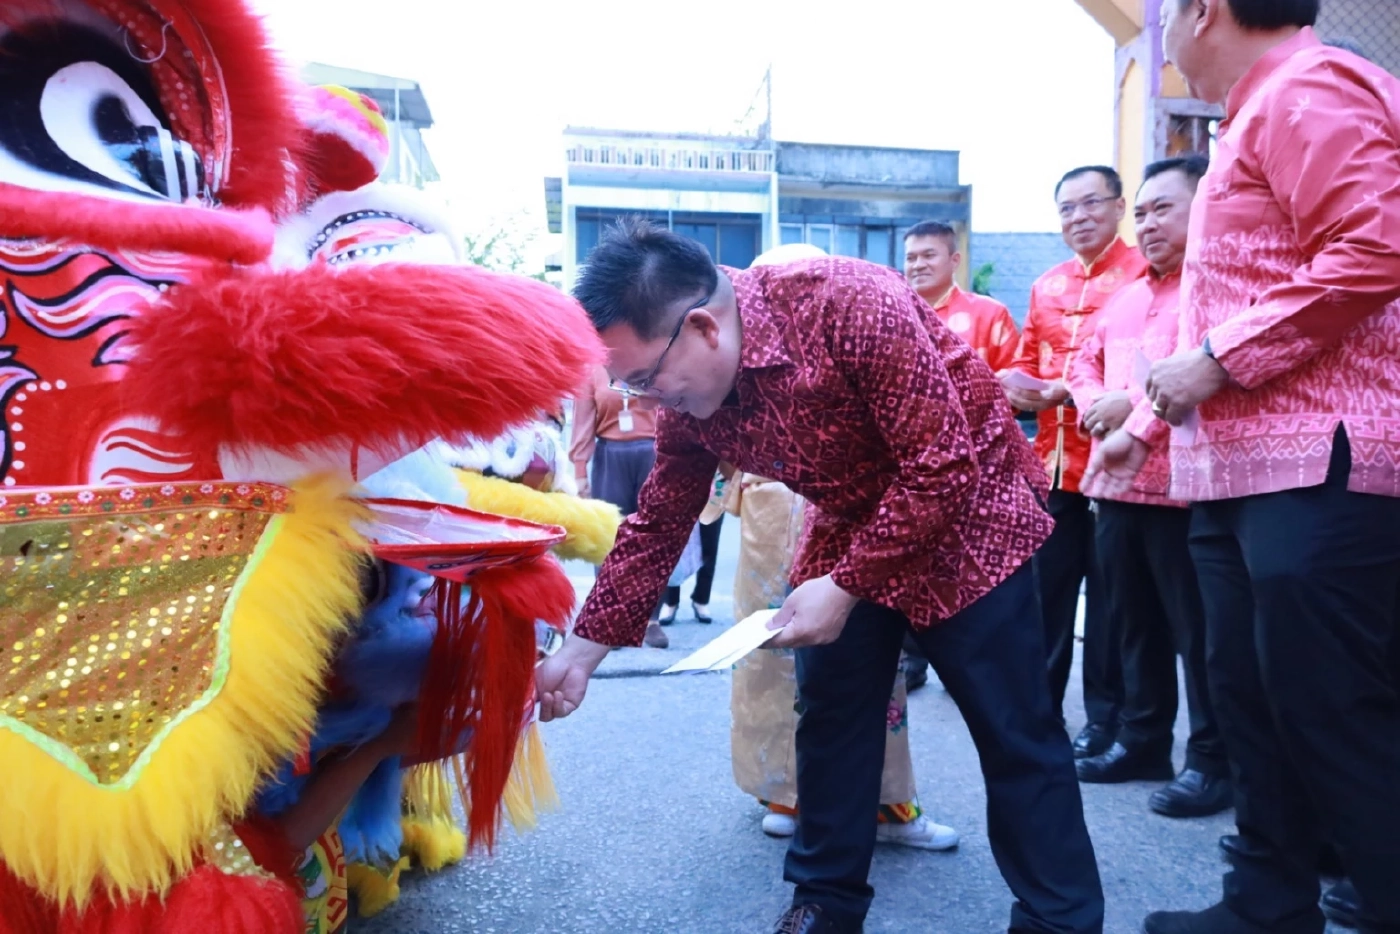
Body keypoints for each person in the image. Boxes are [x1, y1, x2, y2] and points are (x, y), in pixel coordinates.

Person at [538, 220, 1103, 934]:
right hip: (852, 519)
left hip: (969, 508)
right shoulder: (686, 402)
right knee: (832, 714)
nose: (643, 404)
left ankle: (1059, 919)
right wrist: (582, 652)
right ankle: (825, 902)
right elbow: (658, 523)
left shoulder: (850, 303)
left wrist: (846, 586)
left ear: (705, 327)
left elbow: (940, 468)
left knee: (1013, 725)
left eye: (645, 380)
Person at [1084, 1, 1400, 931]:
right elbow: (1201, 325)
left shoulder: (1314, 84)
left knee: (1331, 708)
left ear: (1204, 10)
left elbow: (1376, 248)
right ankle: (1265, 902)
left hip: (1322, 461)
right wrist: (1144, 421)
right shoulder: (1252, 116)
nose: (1159, 37)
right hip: (1238, 470)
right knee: (1251, 698)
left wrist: (1220, 360)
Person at [727, 242, 958, 855]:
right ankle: (784, 794)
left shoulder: (855, 315)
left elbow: (933, 452)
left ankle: (886, 801)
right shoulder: (730, 355)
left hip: (859, 508)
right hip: (768, 507)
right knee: (769, 650)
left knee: (866, 669)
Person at [1066, 156, 1230, 818]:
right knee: (1132, 627)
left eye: (1163, 208)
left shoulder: (1215, 288)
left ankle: (1213, 762)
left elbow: (1191, 377)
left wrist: (1125, 412)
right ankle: (1143, 740)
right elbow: (1083, 357)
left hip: (1189, 492)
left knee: (1203, 637)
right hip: (1118, 489)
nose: (1148, 222)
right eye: (1142, 211)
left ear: (1206, 206)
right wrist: (1090, 400)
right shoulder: (1126, 293)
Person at [1003, 165, 1149, 760]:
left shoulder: (1146, 274)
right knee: (1047, 596)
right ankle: (1040, 715)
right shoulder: (1046, 286)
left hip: (1119, 465)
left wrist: (1065, 389)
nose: (1078, 217)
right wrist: (1019, 387)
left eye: (1091, 204)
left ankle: (1107, 721)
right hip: (1053, 464)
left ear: (1119, 208)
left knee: (1114, 602)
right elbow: (1024, 363)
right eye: (1066, 208)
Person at [570, 363, 670, 648]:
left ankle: (651, 619)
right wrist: (580, 470)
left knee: (654, 538)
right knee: (608, 540)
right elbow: (582, 420)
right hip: (610, 455)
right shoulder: (592, 369)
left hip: (654, 454)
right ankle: (608, 620)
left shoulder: (649, 355)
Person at [904, 221, 1020, 373]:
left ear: (955, 260)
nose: (918, 265)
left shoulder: (990, 313)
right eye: (911, 258)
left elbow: (1012, 382)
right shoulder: (893, 316)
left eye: (929, 255)